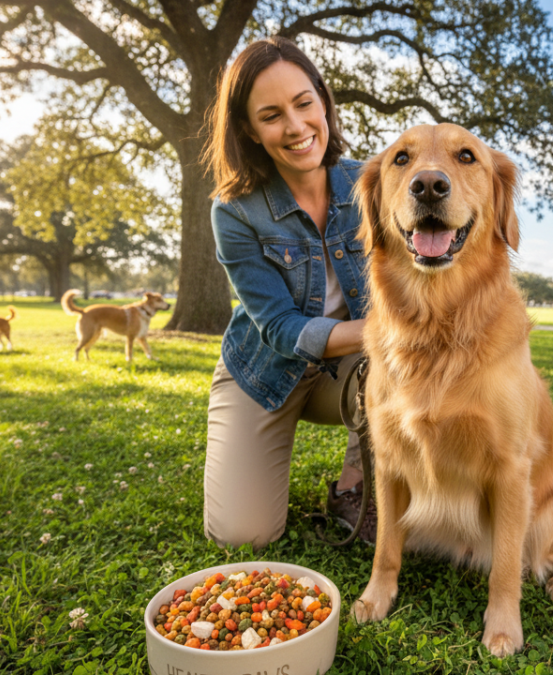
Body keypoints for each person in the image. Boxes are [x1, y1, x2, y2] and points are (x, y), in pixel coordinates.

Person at [201, 36, 373, 549]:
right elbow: (279, 329)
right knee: (243, 535)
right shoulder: (233, 211)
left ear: (322, 101)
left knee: (398, 362)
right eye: (271, 115)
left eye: (303, 103)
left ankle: (354, 485)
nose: (296, 128)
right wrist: (387, 331)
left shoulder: (371, 183)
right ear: (248, 130)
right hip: (263, 372)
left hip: (353, 371)